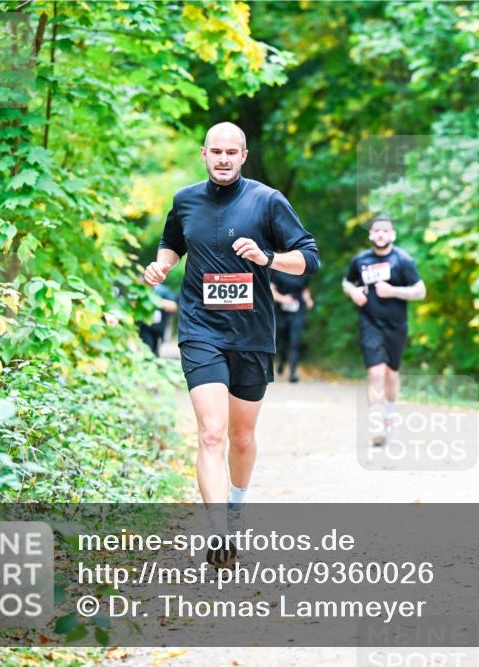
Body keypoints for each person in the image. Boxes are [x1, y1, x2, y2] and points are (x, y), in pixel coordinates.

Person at [144, 122, 320, 567]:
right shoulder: (185, 200)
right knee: (211, 432)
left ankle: (236, 504)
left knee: (241, 438)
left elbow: (310, 258)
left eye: (231, 152)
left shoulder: (267, 201)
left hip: (252, 333)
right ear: (204, 154)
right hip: (201, 330)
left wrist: (268, 258)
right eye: (215, 151)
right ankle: (219, 534)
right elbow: (171, 242)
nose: (223, 159)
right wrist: (162, 266)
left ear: (243, 156)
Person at [341, 214, 426, 446]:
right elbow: (347, 282)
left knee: (391, 374)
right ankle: (376, 423)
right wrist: (353, 292)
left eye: (385, 231)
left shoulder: (403, 260)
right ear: (370, 234)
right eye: (376, 231)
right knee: (376, 371)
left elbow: (421, 291)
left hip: (397, 325)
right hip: (370, 322)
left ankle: (389, 416)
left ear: (392, 235)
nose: (380, 234)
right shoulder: (360, 260)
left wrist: (394, 291)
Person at [271, 272, 314, 382]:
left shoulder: (304, 273)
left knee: (295, 340)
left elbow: (304, 290)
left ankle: (293, 372)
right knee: (283, 339)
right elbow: (272, 290)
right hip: (282, 312)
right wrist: (283, 298)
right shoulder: (278, 273)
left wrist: (308, 300)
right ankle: (281, 361)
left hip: (298, 311)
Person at [137, 281, 178, 356]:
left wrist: (156, 301)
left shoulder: (163, 290)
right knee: (146, 350)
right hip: (144, 327)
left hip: (158, 328)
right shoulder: (140, 288)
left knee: (155, 351)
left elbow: (174, 306)